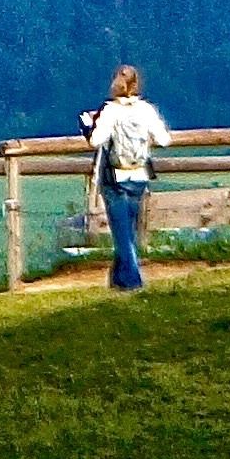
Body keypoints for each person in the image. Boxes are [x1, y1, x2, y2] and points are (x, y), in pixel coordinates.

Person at [83, 66, 171, 291]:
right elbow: (164, 139)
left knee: (123, 236)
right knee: (127, 232)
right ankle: (118, 281)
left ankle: (133, 282)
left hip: (116, 177)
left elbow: (96, 140)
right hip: (139, 175)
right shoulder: (146, 110)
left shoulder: (110, 111)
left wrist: (87, 126)